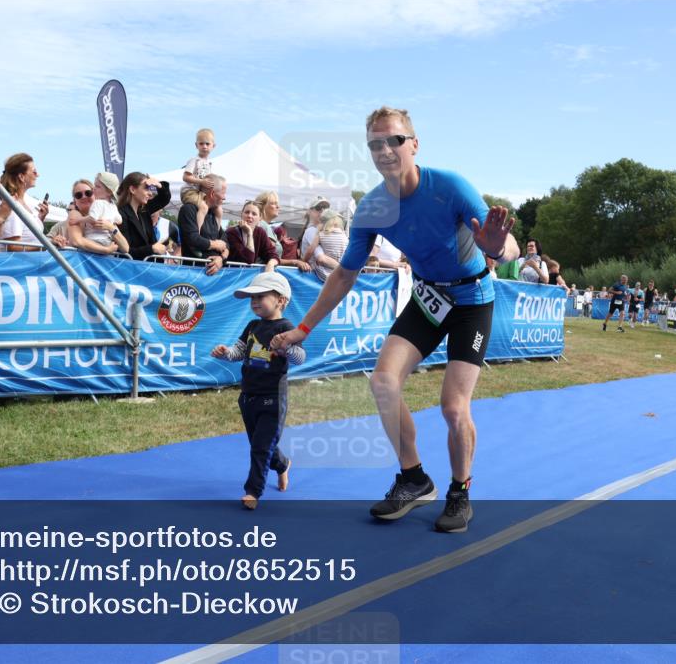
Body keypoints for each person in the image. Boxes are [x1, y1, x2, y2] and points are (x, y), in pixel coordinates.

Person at [271, 106, 518, 533]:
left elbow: (507, 245)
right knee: (383, 382)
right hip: (428, 297)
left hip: (473, 299)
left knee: (453, 407)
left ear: (414, 145)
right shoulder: (371, 208)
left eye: (394, 140)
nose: (385, 150)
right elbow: (344, 274)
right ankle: (414, 478)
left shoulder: (451, 186)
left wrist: (498, 248)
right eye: (375, 143)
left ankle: (459, 492)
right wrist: (303, 327)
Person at [211, 271, 304, 510]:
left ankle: (253, 491)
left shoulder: (287, 327)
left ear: (281, 300)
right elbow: (240, 352)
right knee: (260, 446)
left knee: (261, 448)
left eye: (260, 296)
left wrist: (285, 349)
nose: (254, 302)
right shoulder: (252, 326)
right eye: (251, 298)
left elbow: (300, 357)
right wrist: (225, 353)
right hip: (248, 397)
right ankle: (282, 464)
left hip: (273, 398)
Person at [0, 153, 50, 251]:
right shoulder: (13, 207)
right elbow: (13, 247)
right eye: (34, 171)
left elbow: (26, 235)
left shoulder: (20, 205)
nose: (37, 175)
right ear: (22, 177)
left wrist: (40, 218)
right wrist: (48, 244)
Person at [178, 174, 229, 275]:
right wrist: (215, 244)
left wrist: (221, 258)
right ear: (212, 193)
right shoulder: (188, 209)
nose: (225, 197)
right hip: (194, 273)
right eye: (223, 193)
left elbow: (226, 243)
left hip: (214, 276)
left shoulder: (214, 213)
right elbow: (193, 238)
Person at [117, 171, 172, 261]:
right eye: (146, 188)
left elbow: (164, 198)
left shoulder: (144, 211)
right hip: (133, 269)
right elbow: (126, 251)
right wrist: (152, 248)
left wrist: (158, 184)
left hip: (149, 267)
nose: (150, 193)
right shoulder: (120, 214)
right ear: (133, 190)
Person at [68, 179, 129, 255]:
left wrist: (111, 227)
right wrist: (106, 250)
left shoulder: (105, 215)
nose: (84, 197)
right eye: (78, 195)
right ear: (75, 200)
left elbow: (125, 248)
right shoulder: (75, 214)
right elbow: (77, 241)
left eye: (88, 193)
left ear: (94, 193)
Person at [254, 191, 311, 271]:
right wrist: (295, 262)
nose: (278, 206)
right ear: (262, 206)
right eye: (273, 203)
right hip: (262, 272)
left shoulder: (265, 226)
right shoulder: (263, 226)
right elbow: (271, 257)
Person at [226, 201, 279, 271]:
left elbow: (273, 254)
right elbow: (248, 259)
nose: (249, 216)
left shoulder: (260, 232)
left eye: (254, 214)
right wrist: (249, 233)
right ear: (241, 214)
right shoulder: (231, 232)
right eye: (247, 212)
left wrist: (271, 264)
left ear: (260, 218)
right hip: (232, 274)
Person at [308, 209, 349, 282]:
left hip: (324, 274)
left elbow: (311, 251)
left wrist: (303, 261)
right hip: (340, 276)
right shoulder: (345, 237)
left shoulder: (320, 235)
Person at [183, 128, 216, 192]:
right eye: (201, 143)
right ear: (196, 145)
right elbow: (185, 177)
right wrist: (202, 181)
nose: (204, 146)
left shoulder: (209, 163)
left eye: (207, 144)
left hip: (199, 192)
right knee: (201, 202)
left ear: (213, 146)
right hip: (190, 191)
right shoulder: (194, 160)